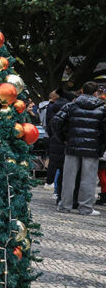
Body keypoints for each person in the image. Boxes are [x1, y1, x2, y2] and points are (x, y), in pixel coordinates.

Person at [51, 81, 106, 216]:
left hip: (72, 144)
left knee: (68, 177)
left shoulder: (71, 106)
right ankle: (86, 207)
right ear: (95, 93)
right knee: (89, 178)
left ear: (82, 91)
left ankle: (65, 205)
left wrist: (63, 138)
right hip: (92, 147)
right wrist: (101, 144)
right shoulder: (102, 108)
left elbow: (56, 122)